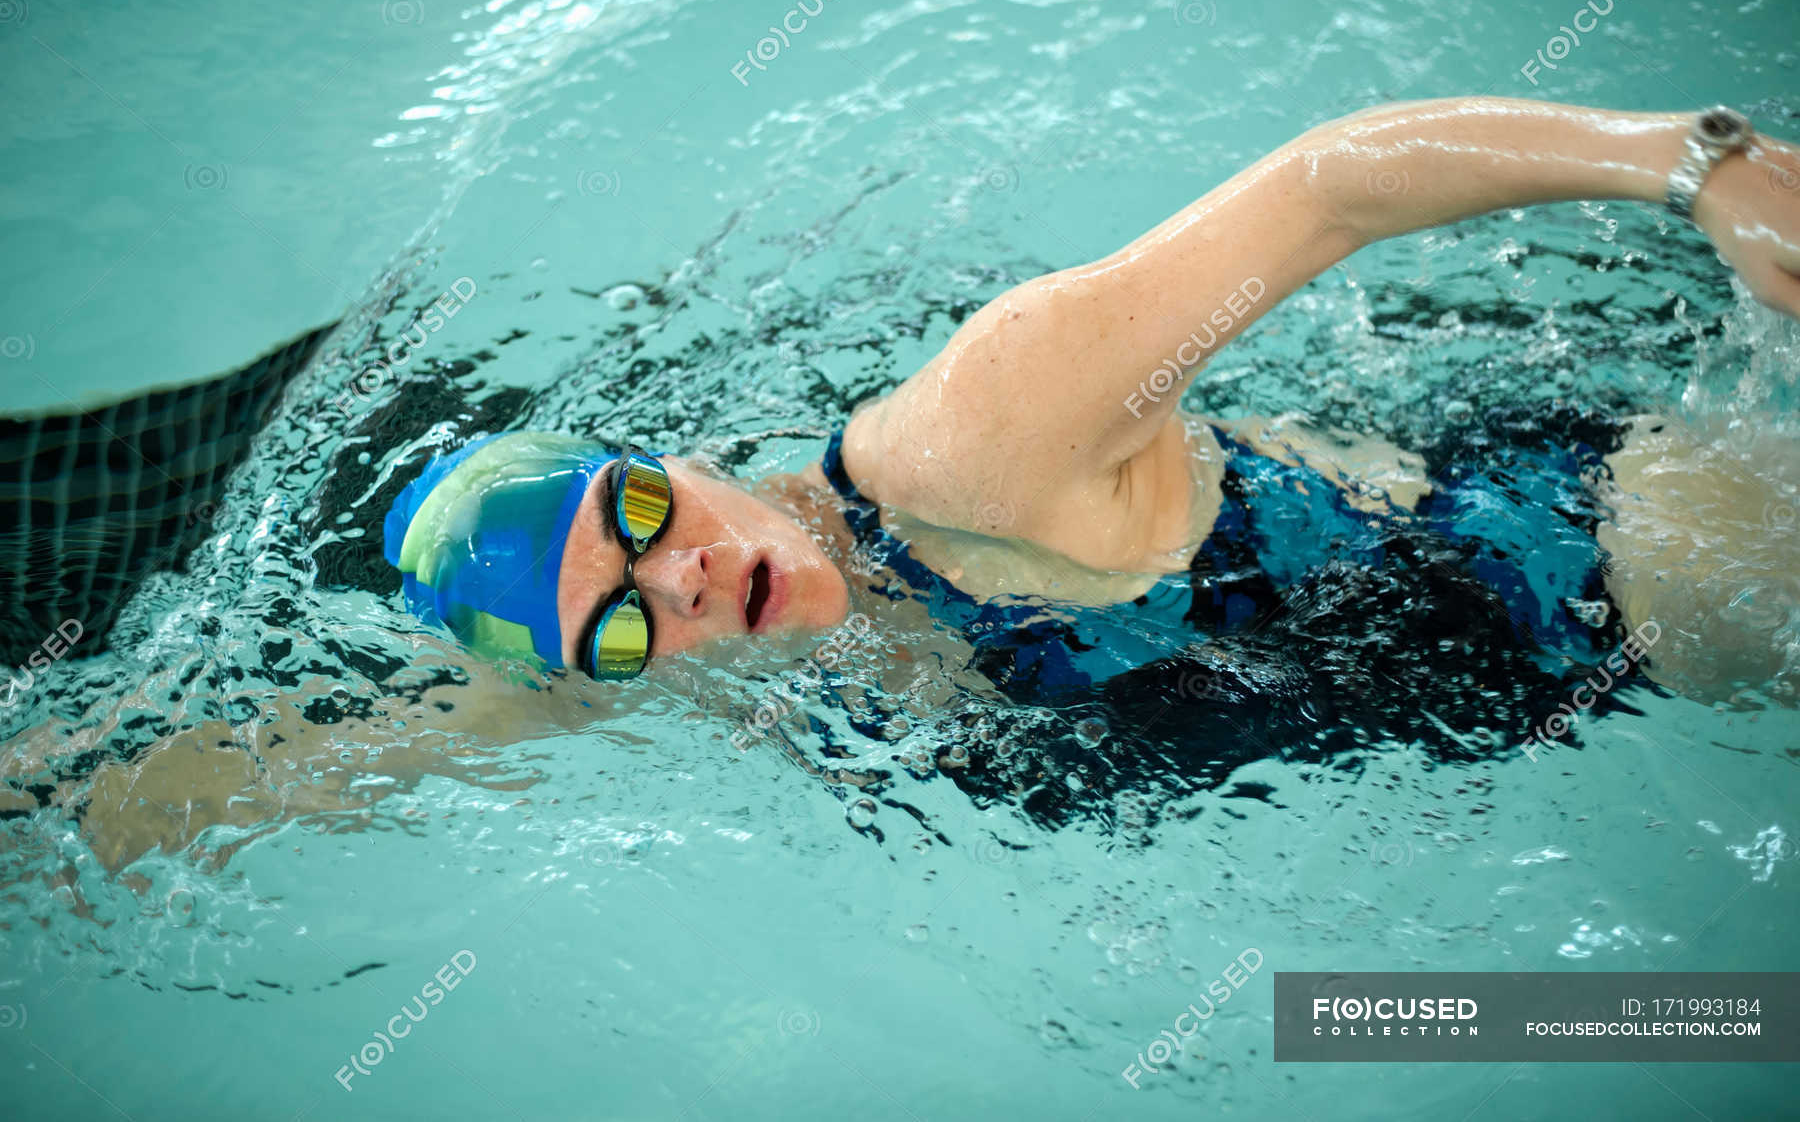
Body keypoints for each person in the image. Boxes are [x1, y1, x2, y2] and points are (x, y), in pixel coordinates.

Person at [386, 97, 1800, 711]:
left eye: (641, 511)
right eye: (624, 619)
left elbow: (1329, 190)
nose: (681, 574)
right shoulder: (721, 667)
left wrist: (1696, 166)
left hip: (1602, 556)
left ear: (678, 458)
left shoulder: (975, 440)